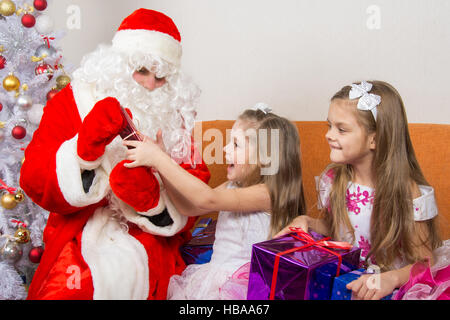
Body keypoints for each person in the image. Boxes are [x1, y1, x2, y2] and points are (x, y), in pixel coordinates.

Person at [19, 8, 210, 300]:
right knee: (70, 288)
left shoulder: (175, 117)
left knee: (145, 278)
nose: (150, 84)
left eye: (161, 78)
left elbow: (196, 193)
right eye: (142, 71)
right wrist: (83, 154)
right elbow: (33, 176)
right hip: (81, 226)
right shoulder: (75, 100)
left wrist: (152, 201)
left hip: (148, 235)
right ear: (118, 66)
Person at [276, 80, 448, 300]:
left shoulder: (406, 192)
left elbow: (426, 263)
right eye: (329, 125)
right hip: (346, 284)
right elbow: (336, 229)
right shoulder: (333, 180)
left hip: (390, 289)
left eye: (341, 129)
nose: (329, 135)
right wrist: (307, 222)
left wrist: (391, 279)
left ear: (374, 139)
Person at [123, 104, 307, 299]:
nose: (225, 149)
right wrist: (160, 165)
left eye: (236, 144)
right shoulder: (233, 185)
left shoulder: (268, 194)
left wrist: (160, 159)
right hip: (214, 277)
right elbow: (189, 207)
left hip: (241, 287)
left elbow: (206, 199)